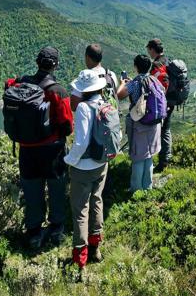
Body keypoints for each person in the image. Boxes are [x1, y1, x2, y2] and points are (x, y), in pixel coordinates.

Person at [16, 47, 73, 249]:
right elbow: (67, 124)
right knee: (56, 188)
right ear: (56, 65)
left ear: (37, 62)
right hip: (52, 150)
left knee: (32, 190)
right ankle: (56, 227)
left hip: (27, 150)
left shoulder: (22, 84)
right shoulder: (58, 91)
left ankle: (34, 232)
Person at [64, 70, 109, 270]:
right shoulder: (105, 103)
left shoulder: (83, 107)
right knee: (97, 201)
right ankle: (96, 249)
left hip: (83, 167)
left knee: (80, 210)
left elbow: (81, 143)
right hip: (102, 163)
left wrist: (69, 160)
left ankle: (80, 259)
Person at [116, 55, 162, 192]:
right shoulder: (154, 80)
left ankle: (136, 189)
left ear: (136, 67)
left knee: (138, 157)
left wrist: (123, 83)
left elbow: (119, 95)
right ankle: (147, 187)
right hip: (154, 123)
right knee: (148, 156)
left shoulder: (134, 83)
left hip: (139, 124)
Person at [146, 38, 173, 171]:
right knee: (166, 130)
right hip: (170, 100)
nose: (148, 53)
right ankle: (166, 157)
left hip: (162, 103)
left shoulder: (156, 65)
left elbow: (152, 85)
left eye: (148, 50)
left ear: (152, 49)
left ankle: (163, 162)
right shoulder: (167, 60)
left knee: (161, 131)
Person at [70, 44, 119, 111]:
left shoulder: (85, 78)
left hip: (92, 119)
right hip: (111, 117)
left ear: (87, 57)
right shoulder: (111, 75)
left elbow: (74, 106)